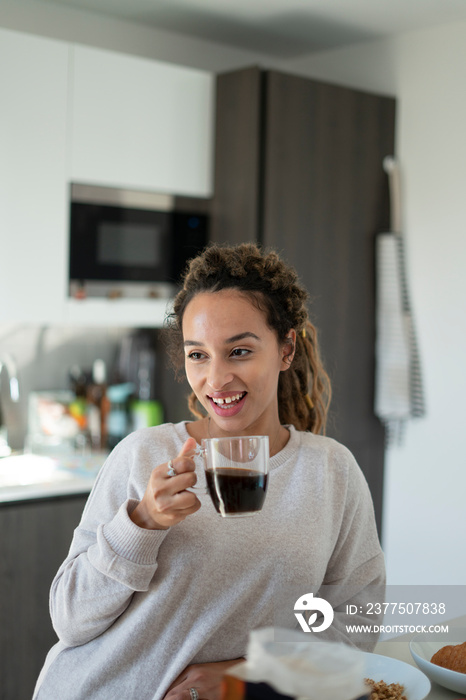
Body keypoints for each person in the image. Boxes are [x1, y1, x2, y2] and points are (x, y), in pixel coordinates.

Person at [33, 243, 385, 700]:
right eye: (198, 355)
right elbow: (70, 620)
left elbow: (357, 622)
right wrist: (141, 523)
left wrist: (252, 673)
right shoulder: (143, 454)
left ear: (286, 348)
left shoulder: (331, 472)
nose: (216, 380)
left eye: (239, 351)